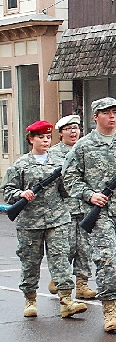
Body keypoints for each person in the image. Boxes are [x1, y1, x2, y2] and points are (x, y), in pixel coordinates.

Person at [63, 97, 116, 332]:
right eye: (106, 112)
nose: (112, 116)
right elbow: (70, 179)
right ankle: (108, 310)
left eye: (115, 112)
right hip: (99, 213)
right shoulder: (83, 146)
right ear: (95, 116)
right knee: (105, 258)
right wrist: (90, 195)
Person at [2, 121, 87, 319]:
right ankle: (30, 299)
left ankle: (66, 299)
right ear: (31, 139)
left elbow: (67, 192)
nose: (45, 141)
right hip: (30, 222)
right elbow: (7, 191)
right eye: (41, 137)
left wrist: (69, 180)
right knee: (30, 261)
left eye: (48, 137)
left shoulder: (59, 163)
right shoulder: (21, 165)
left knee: (60, 260)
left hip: (57, 219)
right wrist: (21, 194)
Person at [47, 114, 97, 300]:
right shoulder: (53, 154)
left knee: (84, 247)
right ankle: (59, 278)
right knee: (66, 246)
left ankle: (82, 284)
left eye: (76, 128)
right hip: (64, 207)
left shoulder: (85, 149)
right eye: (68, 129)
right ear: (61, 133)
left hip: (84, 205)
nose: (73, 132)